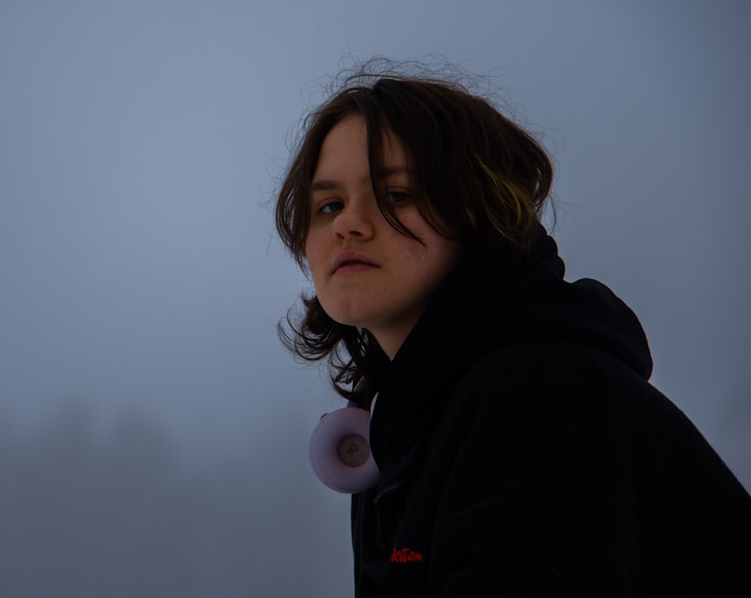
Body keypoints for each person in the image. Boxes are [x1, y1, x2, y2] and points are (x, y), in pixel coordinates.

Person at [274, 63, 751, 597]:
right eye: (329, 205)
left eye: (397, 194)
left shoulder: (539, 400)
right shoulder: (399, 427)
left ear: (480, 210)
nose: (347, 223)